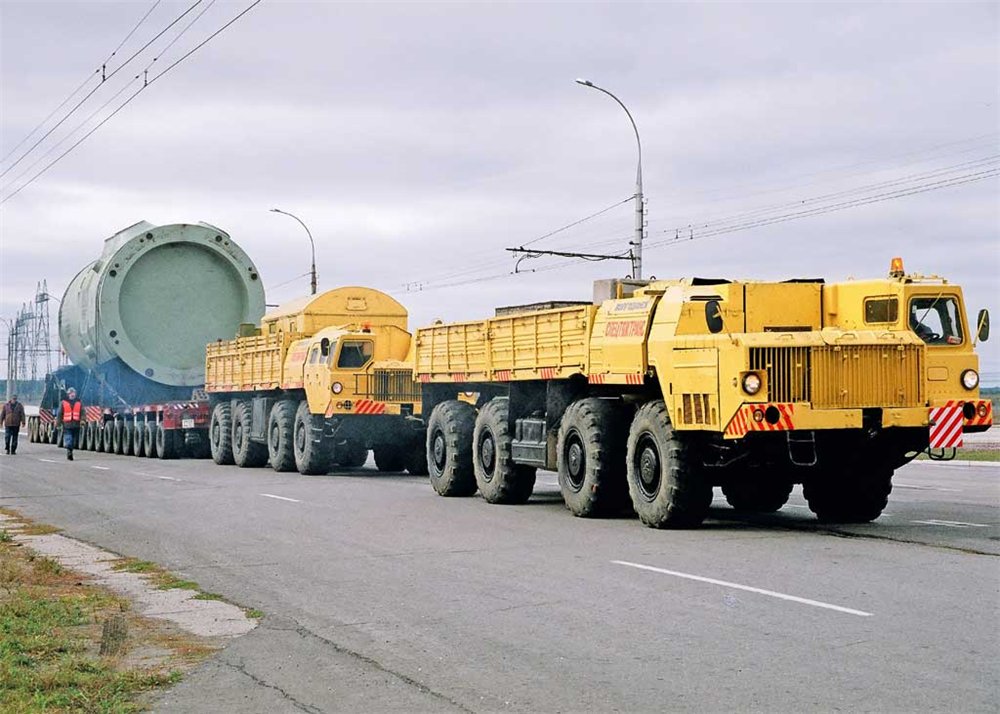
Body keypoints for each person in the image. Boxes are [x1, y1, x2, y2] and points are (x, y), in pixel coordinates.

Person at [58, 387, 83, 461]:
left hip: (76, 425)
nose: (72, 395)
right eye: (71, 393)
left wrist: (83, 421)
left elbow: (83, 413)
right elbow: (60, 414)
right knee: (69, 439)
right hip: (67, 425)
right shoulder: (63, 403)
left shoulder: (79, 402)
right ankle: (69, 452)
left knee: (74, 441)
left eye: (73, 393)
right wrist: (58, 423)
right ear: (68, 394)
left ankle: (71, 449)